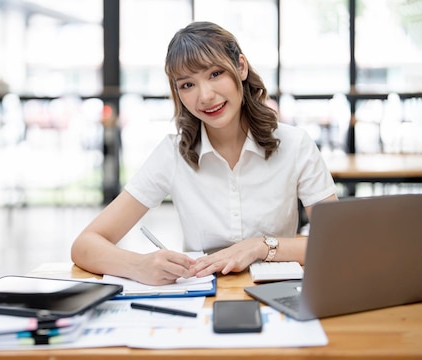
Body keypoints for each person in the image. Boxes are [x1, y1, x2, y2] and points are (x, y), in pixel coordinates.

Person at [71, 21, 338, 286]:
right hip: (202, 299)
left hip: (279, 294)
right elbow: (84, 245)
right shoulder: (173, 153)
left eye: (214, 74)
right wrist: (138, 265)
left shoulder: (294, 144)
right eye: (187, 85)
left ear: (241, 67)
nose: (205, 96)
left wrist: (260, 247)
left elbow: (338, 242)